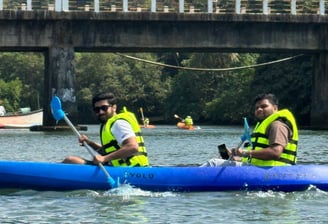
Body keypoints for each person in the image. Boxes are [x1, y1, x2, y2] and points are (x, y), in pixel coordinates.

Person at [201, 93, 298, 167]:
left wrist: (244, 152)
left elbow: (275, 153)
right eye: (257, 108)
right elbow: (255, 159)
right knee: (224, 156)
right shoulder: (265, 125)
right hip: (260, 169)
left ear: (275, 108)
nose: (259, 109)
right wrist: (234, 157)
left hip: (272, 172)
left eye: (264, 106)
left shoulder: (277, 125)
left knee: (213, 163)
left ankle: (187, 180)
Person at [63, 92, 149, 167]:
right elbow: (108, 151)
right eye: (97, 109)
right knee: (71, 161)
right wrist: (89, 143)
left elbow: (132, 147)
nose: (100, 112)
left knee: (70, 161)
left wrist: (104, 158)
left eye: (104, 108)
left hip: (132, 170)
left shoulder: (118, 123)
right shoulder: (108, 124)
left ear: (114, 108)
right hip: (119, 168)